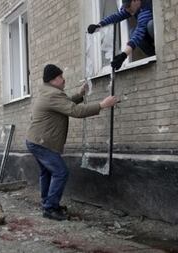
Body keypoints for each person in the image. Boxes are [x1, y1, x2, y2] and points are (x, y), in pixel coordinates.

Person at [26, 64, 118, 221]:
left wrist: (79, 94)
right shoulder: (53, 94)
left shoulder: (48, 92)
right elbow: (75, 111)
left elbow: (65, 103)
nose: (64, 80)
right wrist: (102, 105)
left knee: (47, 172)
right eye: (61, 77)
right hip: (42, 142)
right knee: (61, 172)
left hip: (36, 140)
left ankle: (47, 203)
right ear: (54, 79)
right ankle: (50, 208)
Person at [87, 0, 154, 70]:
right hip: (146, 30)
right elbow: (116, 16)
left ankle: (156, 54)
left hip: (155, 29)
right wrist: (99, 25)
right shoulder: (134, 6)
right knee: (132, 32)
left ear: (135, 1)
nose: (130, 11)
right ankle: (152, 54)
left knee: (150, 25)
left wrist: (123, 55)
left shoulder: (145, 7)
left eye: (129, 8)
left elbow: (139, 32)